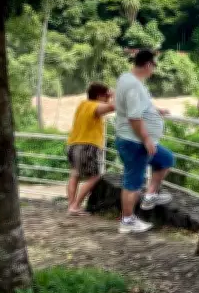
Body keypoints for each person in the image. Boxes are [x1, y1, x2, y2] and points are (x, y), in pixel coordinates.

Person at [114, 49, 175, 234]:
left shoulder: (128, 78)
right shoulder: (133, 84)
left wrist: (156, 110)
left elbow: (140, 105)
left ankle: (150, 196)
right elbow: (134, 116)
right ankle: (127, 220)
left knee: (165, 160)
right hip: (134, 141)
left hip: (135, 140)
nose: (153, 70)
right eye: (154, 66)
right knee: (133, 181)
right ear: (148, 64)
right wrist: (146, 139)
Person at [65, 82, 115, 216]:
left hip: (73, 143)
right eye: (106, 96)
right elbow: (114, 106)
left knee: (75, 174)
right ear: (100, 96)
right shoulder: (95, 106)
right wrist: (115, 95)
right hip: (87, 146)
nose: (108, 99)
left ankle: (71, 206)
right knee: (95, 176)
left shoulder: (82, 105)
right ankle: (75, 205)